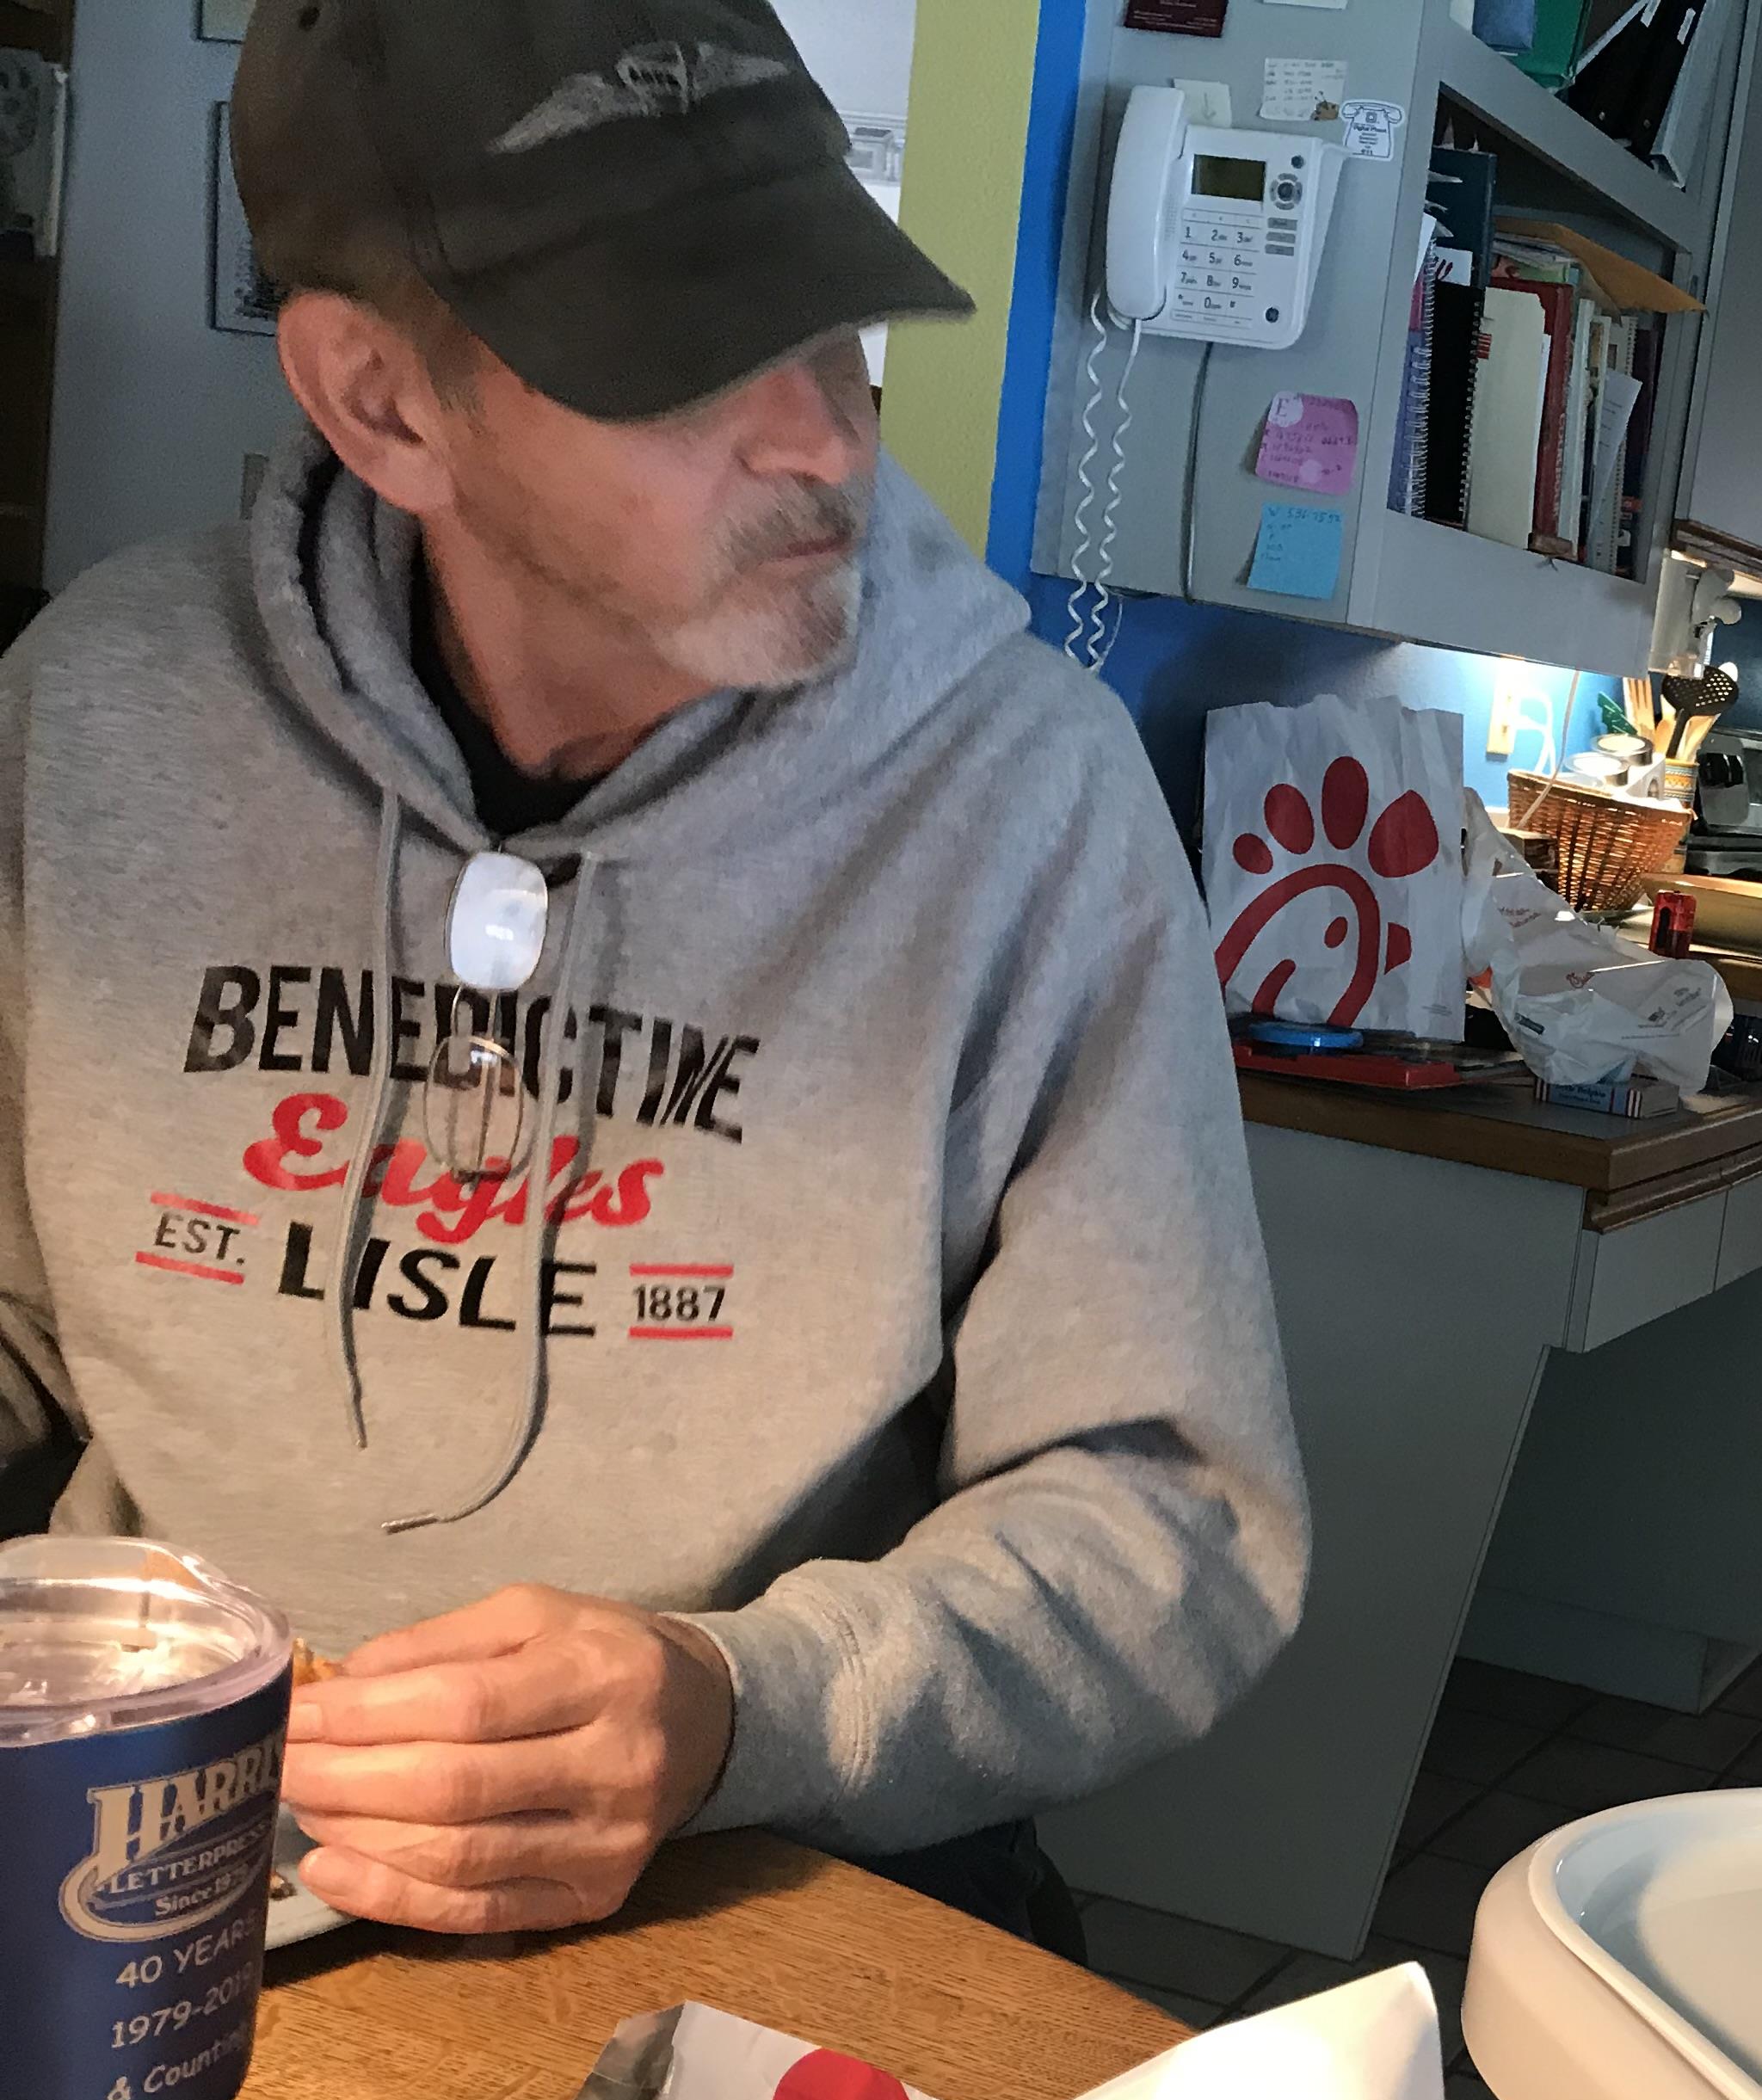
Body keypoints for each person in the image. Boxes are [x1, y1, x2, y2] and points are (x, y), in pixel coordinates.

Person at [0, 0, 1307, 1946]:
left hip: (772, 1871)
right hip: (134, 1851)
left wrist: (734, 1713)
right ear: (380, 402)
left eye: (829, 315)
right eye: (683, 358)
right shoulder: (89, 717)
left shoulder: (1026, 797)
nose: (823, 433)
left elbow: (1170, 1522)